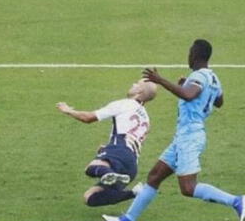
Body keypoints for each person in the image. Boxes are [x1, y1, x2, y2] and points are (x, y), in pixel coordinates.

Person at [103, 39, 245, 221]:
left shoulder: (198, 76)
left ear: (195, 55)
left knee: (188, 187)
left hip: (190, 137)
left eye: (190, 52)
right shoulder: (213, 78)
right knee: (154, 176)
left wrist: (160, 80)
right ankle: (127, 218)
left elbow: (188, 94)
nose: (188, 56)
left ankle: (238, 201)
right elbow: (219, 101)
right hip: (184, 137)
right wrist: (188, 85)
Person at [57, 79, 157, 207]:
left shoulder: (125, 104)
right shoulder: (145, 118)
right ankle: (134, 192)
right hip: (131, 165)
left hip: (119, 150)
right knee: (90, 197)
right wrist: (109, 148)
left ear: (139, 91)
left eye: (137, 84)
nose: (133, 84)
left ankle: (109, 173)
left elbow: (88, 118)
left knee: (90, 168)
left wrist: (68, 111)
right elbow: (131, 138)